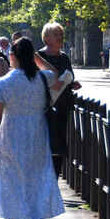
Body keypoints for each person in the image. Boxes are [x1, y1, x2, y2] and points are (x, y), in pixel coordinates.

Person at [0, 37, 67, 219]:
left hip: (10, 139)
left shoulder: (1, 83)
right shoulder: (41, 78)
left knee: (12, 184)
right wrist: (35, 57)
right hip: (37, 137)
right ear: (31, 57)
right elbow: (53, 72)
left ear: (12, 56)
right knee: (36, 182)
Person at [36, 21, 81, 175]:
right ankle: (44, 175)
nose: (60, 37)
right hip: (44, 106)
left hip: (63, 105)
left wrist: (72, 84)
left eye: (61, 35)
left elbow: (68, 76)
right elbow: (33, 81)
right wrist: (49, 86)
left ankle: (55, 176)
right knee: (46, 141)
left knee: (60, 143)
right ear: (46, 37)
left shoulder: (64, 57)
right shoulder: (39, 56)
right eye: (56, 34)